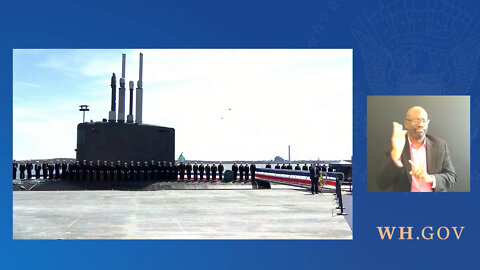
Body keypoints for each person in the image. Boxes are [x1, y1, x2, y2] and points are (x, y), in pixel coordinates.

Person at [377, 106, 456, 192]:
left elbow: (451, 177)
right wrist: (396, 154)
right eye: (416, 120)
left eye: (424, 121)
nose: (421, 124)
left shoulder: (440, 146)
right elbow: (382, 183)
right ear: (406, 123)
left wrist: (430, 178)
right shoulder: (396, 145)